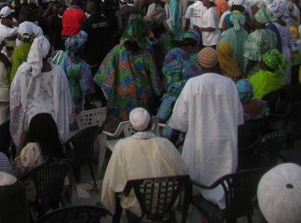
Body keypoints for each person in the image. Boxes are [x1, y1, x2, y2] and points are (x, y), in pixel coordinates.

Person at [168, 47, 244, 209]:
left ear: (199, 64)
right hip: (225, 145)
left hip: (199, 144)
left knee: (198, 178)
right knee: (223, 178)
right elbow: (238, 118)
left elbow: (179, 121)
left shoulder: (193, 84)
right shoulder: (229, 84)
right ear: (217, 63)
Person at [101, 108, 188, 218]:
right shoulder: (166, 144)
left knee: (119, 186)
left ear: (131, 126)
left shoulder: (122, 146)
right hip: (167, 202)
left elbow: (111, 181)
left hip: (137, 206)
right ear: (151, 123)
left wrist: (109, 205)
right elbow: (184, 171)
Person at [94, 16, 161, 132]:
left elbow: (103, 74)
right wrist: (157, 92)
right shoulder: (145, 54)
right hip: (143, 96)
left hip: (121, 96)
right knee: (141, 123)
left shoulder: (118, 50)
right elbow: (154, 78)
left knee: (121, 127)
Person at [9, 35, 74, 147]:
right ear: (48, 52)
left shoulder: (23, 71)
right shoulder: (57, 71)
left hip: (30, 116)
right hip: (53, 114)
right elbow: (65, 96)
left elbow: (15, 95)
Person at [157, 30, 202, 141]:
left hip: (174, 96)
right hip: (195, 97)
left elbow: (165, 77)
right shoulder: (201, 55)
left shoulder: (174, 52)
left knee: (164, 123)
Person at [49, 30, 95, 112]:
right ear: (78, 48)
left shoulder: (58, 55)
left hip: (55, 97)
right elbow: (87, 89)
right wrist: (91, 103)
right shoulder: (82, 66)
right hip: (73, 102)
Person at [244, 2, 278, 77]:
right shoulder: (272, 33)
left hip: (258, 69)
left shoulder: (256, 35)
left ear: (257, 23)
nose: (253, 21)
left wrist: (246, 70)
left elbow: (253, 57)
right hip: (269, 67)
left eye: (254, 20)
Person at [216, 11, 248, 80]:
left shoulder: (227, 33)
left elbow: (219, 47)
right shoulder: (245, 33)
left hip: (230, 67)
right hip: (243, 66)